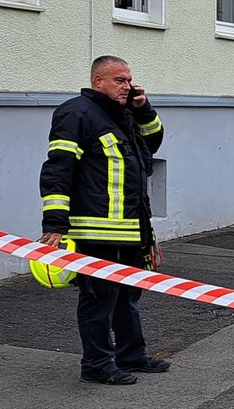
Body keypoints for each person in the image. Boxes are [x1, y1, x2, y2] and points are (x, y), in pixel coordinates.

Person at [38, 56, 169, 386]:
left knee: (128, 297)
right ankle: (96, 363)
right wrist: (55, 223)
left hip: (131, 228)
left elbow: (151, 143)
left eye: (129, 80)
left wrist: (143, 108)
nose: (127, 86)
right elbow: (58, 168)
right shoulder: (76, 112)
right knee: (99, 300)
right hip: (95, 229)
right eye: (119, 80)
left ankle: (131, 355)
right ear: (98, 81)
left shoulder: (122, 113)